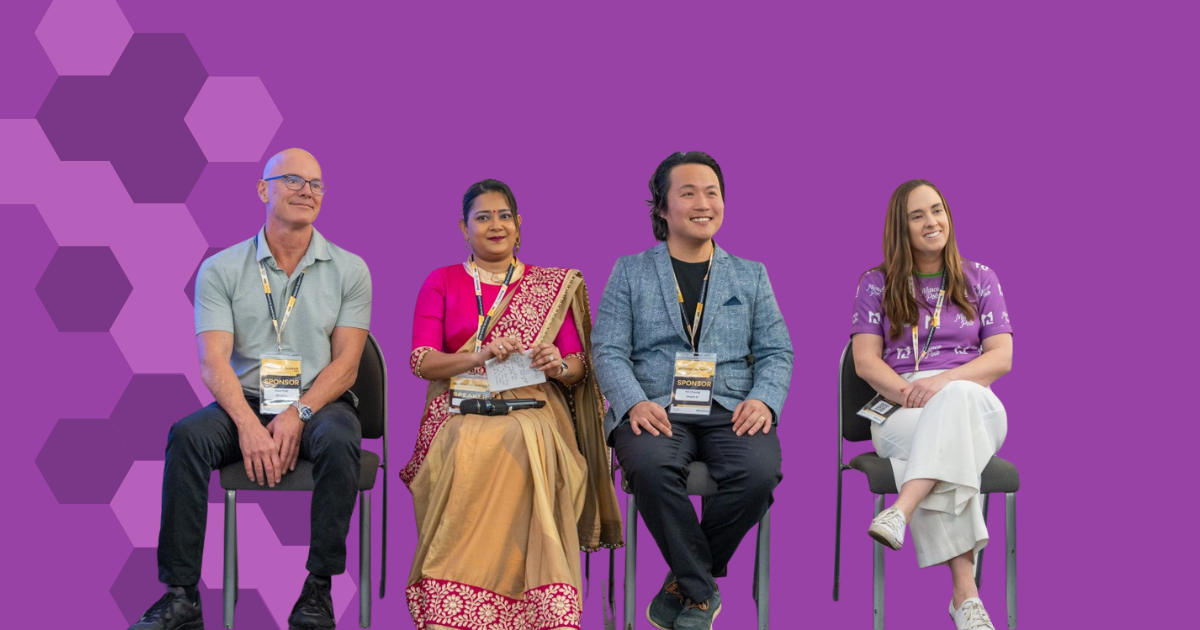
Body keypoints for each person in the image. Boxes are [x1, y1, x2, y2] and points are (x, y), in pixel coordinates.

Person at [128, 149, 372, 630]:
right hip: (246, 401)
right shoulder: (221, 268)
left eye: (316, 184)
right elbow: (213, 361)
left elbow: (346, 366)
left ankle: (318, 590)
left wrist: (298, 414)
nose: (307, 191)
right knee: (187, 436)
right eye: (293, 180)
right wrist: (247, 424)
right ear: (264, 190)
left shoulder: (350, 269)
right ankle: (180, 597)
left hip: (318, 403)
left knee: (342, 437)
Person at [402, 179, 622, 630]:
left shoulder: (551, 287)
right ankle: (454, 604)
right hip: (459, 404)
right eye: (482, 217)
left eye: (504, 216)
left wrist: (557, 364)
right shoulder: (441, 281)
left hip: (534, 404)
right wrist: (477, 356)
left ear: (519, 224)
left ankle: (538, 606)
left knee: (525, 435)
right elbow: (422, 360)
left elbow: (580, 367)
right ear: (463, 228)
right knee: (468, 440)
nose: (495, 225)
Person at [592, 152, 793, 630]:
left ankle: (684, 582)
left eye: (712, 193)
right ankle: (703, 592)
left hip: (732, 406)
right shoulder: (630, 271)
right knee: (650, 467)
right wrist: (633, 401)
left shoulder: (750, 274)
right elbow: (608, 349)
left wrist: (764, 399)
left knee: (759, 473)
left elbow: (777, 351)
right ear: (662, 208)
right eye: (688, 193)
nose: (703, 203)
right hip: (655, 404)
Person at [851, 179, 1013, 630]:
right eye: (917, 215)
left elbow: (1001, 358)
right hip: (902, 404)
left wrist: (942, 383)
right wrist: (910, 393)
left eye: (937, 210)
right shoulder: (876, 283)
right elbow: (865, 362)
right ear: (900, 227)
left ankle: (900, 510)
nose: (931, 222)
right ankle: (966, 596)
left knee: (956, 402)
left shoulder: (981, 277)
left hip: (974, 399)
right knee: (949, 447)